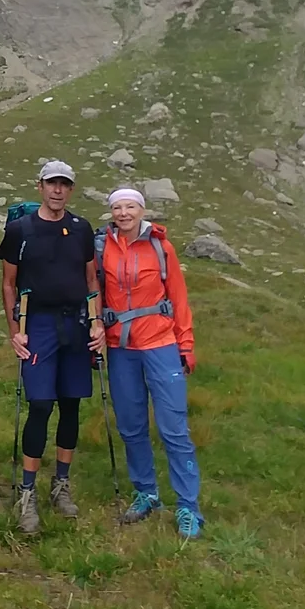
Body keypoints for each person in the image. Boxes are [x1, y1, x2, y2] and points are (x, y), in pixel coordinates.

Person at [0, 160, 105, 534]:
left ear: (71, 189)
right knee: (41, 404)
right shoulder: (20, 230)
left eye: (65, 184)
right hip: (38, 323)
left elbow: (91, 277)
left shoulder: (81, 229)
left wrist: (97, 321)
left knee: (71, 404)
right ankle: (28, 492)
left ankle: (61, 482)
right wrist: (16, 330)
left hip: (75, 322)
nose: (58, 190)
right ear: (40, 186)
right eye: (51, 183)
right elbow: (9, 283)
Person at [97, 187, 204, 539]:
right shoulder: (101, 248)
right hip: (120, 346)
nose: (123, 213)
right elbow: (94, 294)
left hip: (160, 343)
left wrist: (185, 344)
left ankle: (188, 506)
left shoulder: (161, 248)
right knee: (131, 426)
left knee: (174, 429)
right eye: (117, 207)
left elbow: (178, 296)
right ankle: (147, 492)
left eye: (129, 206)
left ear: (142, 210)